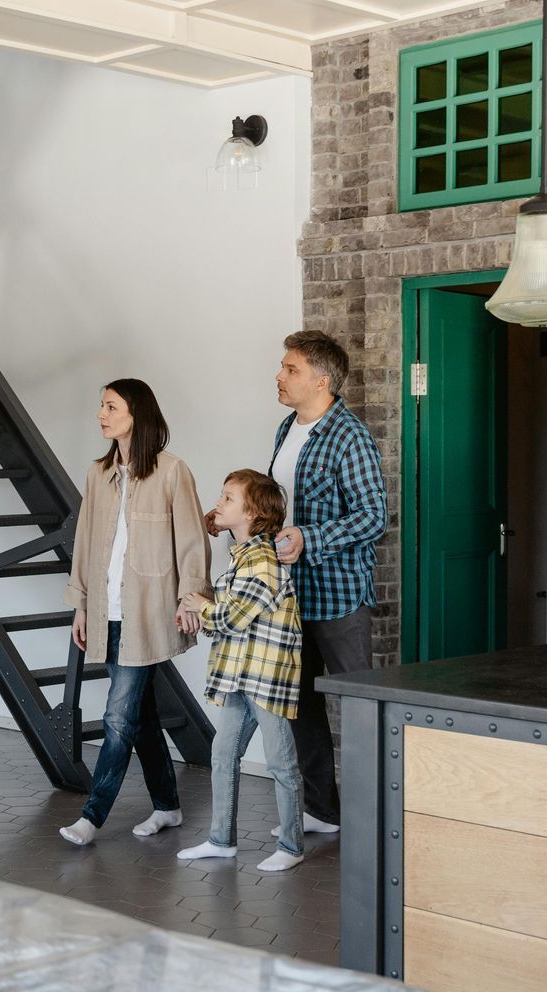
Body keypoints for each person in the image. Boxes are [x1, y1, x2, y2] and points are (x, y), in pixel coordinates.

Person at [220, 330, 386, 836]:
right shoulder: (285, 429)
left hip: (337, 597)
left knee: (359, 710)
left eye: (290, 369)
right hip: (288, 597)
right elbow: (277, 511)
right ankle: (322, 812)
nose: (279, 376)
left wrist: (310, 538)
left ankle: (375, 817)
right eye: (283, 367)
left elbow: (373, 515)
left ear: (322, 379)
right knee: (299, 708)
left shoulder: (350, 436)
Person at [59, 379, 210, 848]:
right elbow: (84, 544)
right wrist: (81, 605)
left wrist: (192, 598)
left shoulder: (171, 471)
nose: (101, 414)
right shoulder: (96, 474)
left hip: (149, 611)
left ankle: (93, 815)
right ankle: (167, 805)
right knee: (140, 715)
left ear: (136, 414)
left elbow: (190, 540)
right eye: (100, 406)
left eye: (110, 406)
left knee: (119, 718)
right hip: (108, 611)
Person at [176, 470, 305, 872]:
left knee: (280, 761)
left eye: (228, 498)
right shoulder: (242, 557)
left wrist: (200, 606)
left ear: (251, 513)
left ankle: (291, 845)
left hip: (265, 679)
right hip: (239, 675)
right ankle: (221, 839)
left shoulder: (261, 562)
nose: (220, 503)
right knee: (223, 754)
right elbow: (230, 610)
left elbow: (231, 618)